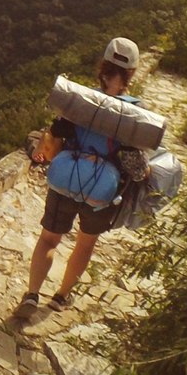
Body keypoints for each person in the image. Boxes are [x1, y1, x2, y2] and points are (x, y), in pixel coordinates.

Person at [14, 36, 141, 319]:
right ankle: (60, 297)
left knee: (49, 239)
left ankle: (32, 295)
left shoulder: (80, 101)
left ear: (103, 66)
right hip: (100, 191)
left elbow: (55, 138)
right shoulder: (135, 115)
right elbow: (135, 167)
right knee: (85, 244)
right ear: (131, 73)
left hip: (64, 180)